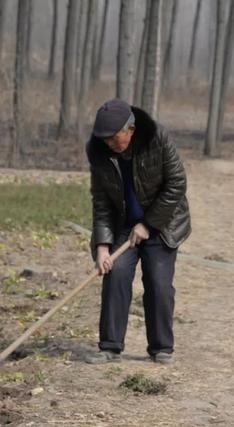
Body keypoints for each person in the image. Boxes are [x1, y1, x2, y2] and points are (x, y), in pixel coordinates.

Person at [85, 98, 191, 365]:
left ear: (130, 129)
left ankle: (161, 347)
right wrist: (102, 246)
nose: (109, 143)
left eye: (113, 138)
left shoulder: (158, 139)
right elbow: (101, 200)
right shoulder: (99, 152)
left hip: (163, 224)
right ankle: (110, 346)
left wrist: (149, 224)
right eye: (104, 139)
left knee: (158, 282)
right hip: (124, 225)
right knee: (116, 272)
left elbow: (177, 183)